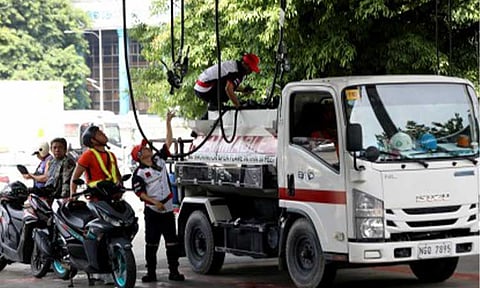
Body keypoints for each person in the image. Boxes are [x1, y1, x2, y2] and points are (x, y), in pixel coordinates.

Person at [131, 111, 185, 283]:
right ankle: (151, 273)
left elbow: (168, 141)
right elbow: (141, 194)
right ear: (139, 156)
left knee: (172, 242)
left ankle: (174, 271)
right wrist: (155, 203)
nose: (147, 148)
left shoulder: (159, 160)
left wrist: (168, 122)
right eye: (144, 148)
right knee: (151, 243)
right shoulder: (139, 173)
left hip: (167, 209)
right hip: (153, 211)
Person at [69, 125, 121, 285]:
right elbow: (75, 177)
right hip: (96, 200)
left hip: (113, 198)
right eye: (99, 133)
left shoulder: (111, 155)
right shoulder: (87, 155)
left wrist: (120, 186)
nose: (104, 134)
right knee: (97, 233)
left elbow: (117, 176)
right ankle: (97, 267)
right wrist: (73, 195)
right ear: (93, 140)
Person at [194, 53, 260, 112]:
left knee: (228, 87)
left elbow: (230, 84)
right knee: (228, 93)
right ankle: (214, 104)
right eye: (250, 68)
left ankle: (214, 105)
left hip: (201, 86)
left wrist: (243, 90)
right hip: (205, 88)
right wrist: (239, 106)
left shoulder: (234, 65)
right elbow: (228, 89)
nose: (251, 71)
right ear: (245, 64)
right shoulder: (236, 72)